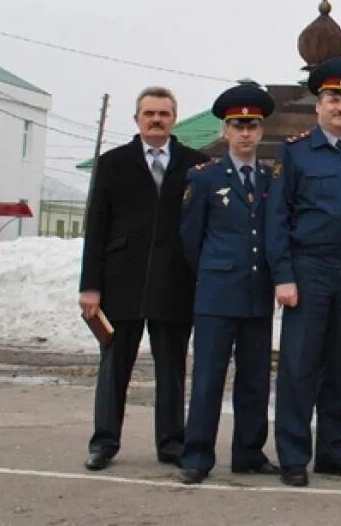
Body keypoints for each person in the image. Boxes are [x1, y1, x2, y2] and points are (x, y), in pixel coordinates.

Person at [78, 86, 208, 471]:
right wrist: (89, 286)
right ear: (137, 119)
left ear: (173, 119)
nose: (156, 120)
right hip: (122, 282)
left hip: (175, 282)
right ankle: (104, 442)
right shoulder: (113, 163)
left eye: (163, 114)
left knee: (171, 367)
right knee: (115, 365)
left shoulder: (195, 165)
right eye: (149, 113)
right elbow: (96, 226)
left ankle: (171, 442)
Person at [267, 58, 341, 488]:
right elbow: (277, 217)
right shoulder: (295, 153)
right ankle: (294, 455)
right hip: (308, 269)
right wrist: (283, 275)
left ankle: (334, 451)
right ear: (318, 104)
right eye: (333, 98)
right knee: (299, 365)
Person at [176, 84, 280, 485]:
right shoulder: (204, 178)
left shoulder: (271, 178)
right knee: (208, 378)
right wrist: (212, 273)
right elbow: (190, 238)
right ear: (226, 129)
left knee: (255, 381)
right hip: (217, 295)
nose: (245, 133)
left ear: (261, 129)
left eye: (252, 125)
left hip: (257, 295)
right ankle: (197, 456)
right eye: (238, 125)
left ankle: (249, 452)